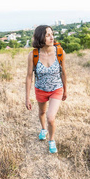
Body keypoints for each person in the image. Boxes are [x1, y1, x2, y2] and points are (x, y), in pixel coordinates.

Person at [25, 25, 67, 153]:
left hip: (56, 89)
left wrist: (65, 90)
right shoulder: (33, 55)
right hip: (41, 89)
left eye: (51, 34)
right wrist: (27, 98)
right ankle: (43, 129)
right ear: (40, 37)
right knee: (42, 113)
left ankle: (51, 140)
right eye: (47, 35)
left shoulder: (60, 52)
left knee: (50, 117)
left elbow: (63, 72)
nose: (51, 37)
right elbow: (28, 77)